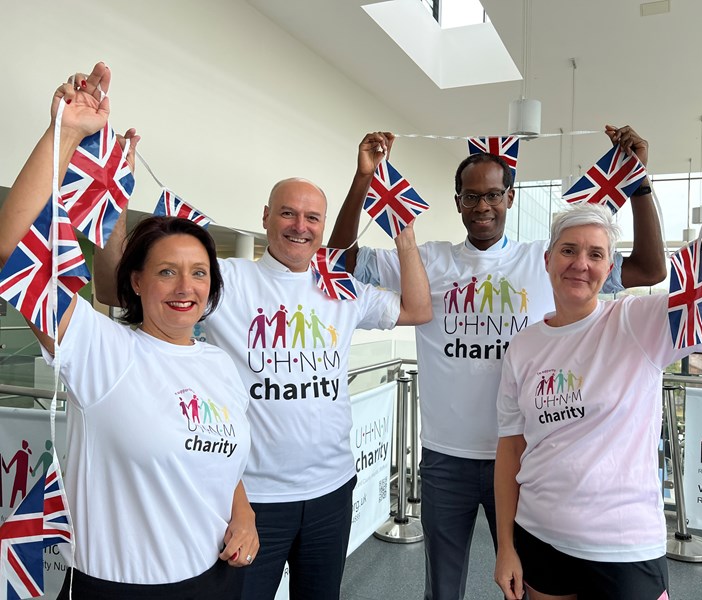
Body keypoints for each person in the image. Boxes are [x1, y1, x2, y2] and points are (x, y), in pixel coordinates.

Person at [327, 128, 667, 600]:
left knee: (525, 586)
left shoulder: (546, 261)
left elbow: (651, 270)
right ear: (458, 201)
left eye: (493, 195)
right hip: (447, 458)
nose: (482, 206)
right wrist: (364, 179)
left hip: (525, 460)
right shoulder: (430, 260)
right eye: (471, 196)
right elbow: (336, 262)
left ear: (509, 197)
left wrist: (641, 183)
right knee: (442, 590)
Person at [95, 136, 432, 600]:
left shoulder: (341, 289)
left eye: (312, 217)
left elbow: (418, 309)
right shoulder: (228, 279)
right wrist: (116, 196)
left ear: (322, 226)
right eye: (288, 213)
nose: (300, 226)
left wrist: (405, 233)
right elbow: (115, 290)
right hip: (250, 500)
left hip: (330, 490)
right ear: (266, 217)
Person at [0, 62, 258, 599]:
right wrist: (65, 133)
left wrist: (245, 515)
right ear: (135, 282)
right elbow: (13, 250)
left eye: (199, 272)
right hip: (122, 587)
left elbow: (219, 461)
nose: (184, 285)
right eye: (167, 270)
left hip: (216, 577)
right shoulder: (106, 352)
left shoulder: (220, 366)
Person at [493, 118, 702, 600]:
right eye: (568, 250)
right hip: (539, 538)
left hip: (623, 550)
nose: (580, 262)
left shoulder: (636, 322)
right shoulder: (523, 346)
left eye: (596, 254)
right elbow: (510, 451)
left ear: (610, 268)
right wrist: (505, 546)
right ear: (548, 260)